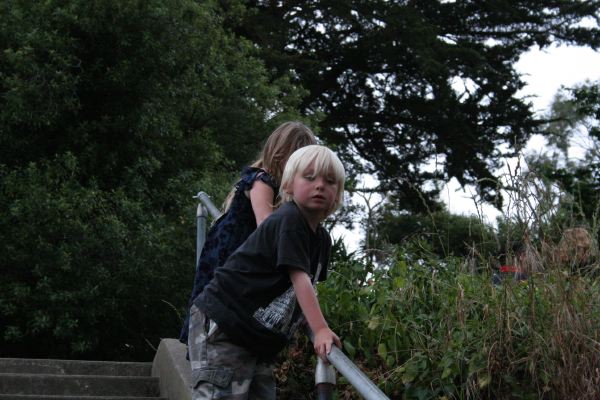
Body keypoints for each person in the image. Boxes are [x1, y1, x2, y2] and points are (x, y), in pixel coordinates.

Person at [189, 145, 345, 399]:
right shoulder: (289, 219)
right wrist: (320, 329)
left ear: (338, 194)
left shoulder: (322, 240)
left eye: (329, 181)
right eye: (309, 177)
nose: (319, 185)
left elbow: (306, 290)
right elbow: (299, 279)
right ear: (289, 185)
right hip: (226, 322)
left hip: (257, 338)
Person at [179, 121, 317, 344]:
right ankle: (205, 344)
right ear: (281, 155)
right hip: (230, 249)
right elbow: (266, 227)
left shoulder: (277, 186)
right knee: (216, 301)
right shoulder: (262, 180)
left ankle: (213, 342)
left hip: (240, 248)